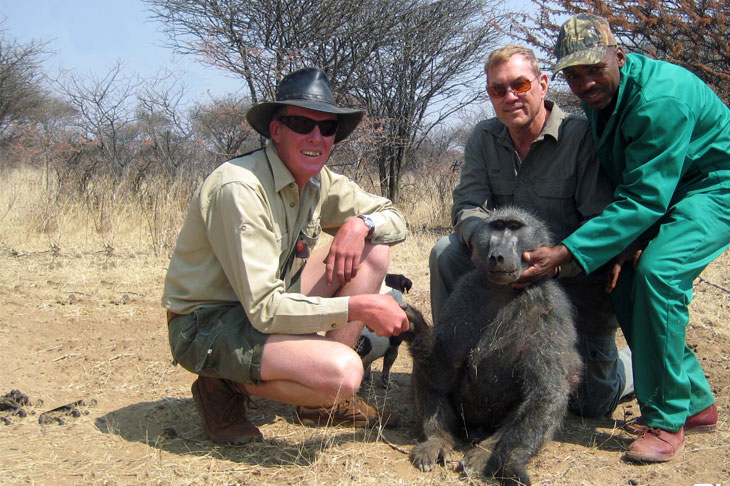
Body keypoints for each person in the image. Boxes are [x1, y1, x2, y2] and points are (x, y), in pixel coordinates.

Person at [517, 14, 730, 463]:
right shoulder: (604, 99)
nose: (586, 84)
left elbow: (645, 197)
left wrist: (567, 251)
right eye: (574, 75)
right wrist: (620, 243)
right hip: (663, 188)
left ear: (619, 55)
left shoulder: (659, 100)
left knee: (659, 273)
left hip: (716, 183)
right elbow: (634, 181)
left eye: (595, 69)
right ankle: (696, 403)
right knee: (627, 280)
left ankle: (666, 420)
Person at [162, 67, 410, 445]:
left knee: (372, 252)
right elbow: (265, 309)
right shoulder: (240, 188)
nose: (316, 137)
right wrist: (358, 307)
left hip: (264, 305)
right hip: (208, 323)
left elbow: (395, 218)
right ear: (276, 131)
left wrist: (360, 224)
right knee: (345, 373)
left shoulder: (319, 179)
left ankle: (320, 402)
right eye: (301, 124)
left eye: (327, 128)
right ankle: (222, 383)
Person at [429, 44, 634, 419]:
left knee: (589, 403)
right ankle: (454, 363)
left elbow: (599, 221)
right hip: (502, 277)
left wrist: (557, 262)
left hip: (570, 282)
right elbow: (467, 207)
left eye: (520, 85)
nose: (510, 96)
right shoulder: (483, 138)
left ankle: (628, 366)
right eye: (498, 89)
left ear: (542, 84)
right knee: (447, 251)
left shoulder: (580, 136)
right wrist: (481, 242)